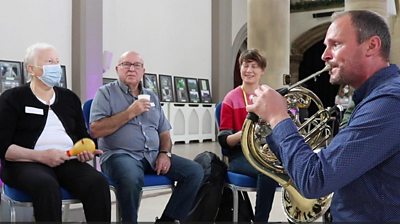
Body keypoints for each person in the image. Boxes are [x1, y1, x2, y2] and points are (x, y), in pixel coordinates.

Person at [247, 10, 400, 222]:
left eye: (335, 44)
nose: (324, 55)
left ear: (371, 46)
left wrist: (278, 117)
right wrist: (276, 127)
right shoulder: (370, 97)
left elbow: (314, 180)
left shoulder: (389, 102)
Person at [0, 42, 111, 222]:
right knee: (46, 186)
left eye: (57, 62)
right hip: (24, 163)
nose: (55, 67)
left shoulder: (69, 98)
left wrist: (85, 151)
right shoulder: (12, 98)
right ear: (32, 69)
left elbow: (83, 136)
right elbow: (3, 147)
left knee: (97, 183)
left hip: (67, 160)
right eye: (49, 62)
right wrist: (41, 156)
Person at [89, 50, 204, 223]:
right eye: (126, 64)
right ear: (117, 69)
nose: (131, 69)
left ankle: (168, 220)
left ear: (143, 71)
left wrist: (165, 153)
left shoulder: (152, 96)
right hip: (120, 155)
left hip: (153, 155)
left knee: (194, 171)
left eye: (137, 65)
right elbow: (95, 130)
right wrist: (130, 112)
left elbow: (164, 132)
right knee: (130, 177)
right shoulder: (105, 93)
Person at [218, 49, 277, 222]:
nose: (249, 70)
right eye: (245, 65)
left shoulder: (269, 96)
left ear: (262, 70)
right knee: (268, 171)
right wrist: (244, 133)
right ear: (240, 68)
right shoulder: (231, 98)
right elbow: (224, 140)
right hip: (240, 155)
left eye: (254, 66)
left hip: (266, 153)